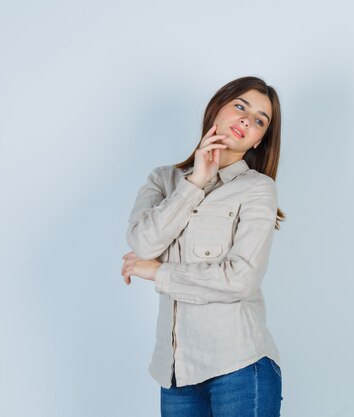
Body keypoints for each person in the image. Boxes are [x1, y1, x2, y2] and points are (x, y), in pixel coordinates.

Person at [121, 76, 285, 417]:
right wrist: (194, 181)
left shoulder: (258, 189)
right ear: (217, 109)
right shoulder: (163, 179)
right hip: (175, 374)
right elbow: (142, 242)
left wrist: (159, 272)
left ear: (258, 142)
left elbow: (240, 279)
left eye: (259, 121)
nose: (246, 120)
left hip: (240, 366)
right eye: (240, 106)